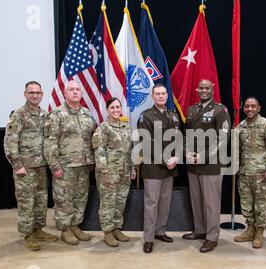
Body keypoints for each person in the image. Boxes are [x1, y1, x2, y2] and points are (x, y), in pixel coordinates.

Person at [4, 81, 58, 251]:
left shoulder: (44, 114)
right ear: (25, 94)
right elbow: (10, 141)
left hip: (41, 166)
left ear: (42, 94)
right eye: (31, 92)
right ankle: (28, 235)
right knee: (26, 202)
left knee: (41, 200)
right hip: (25, 168)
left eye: (38, 92)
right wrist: (17, 164)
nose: (35, 95)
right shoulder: (18, 115)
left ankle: (38, 229)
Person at [43, 80, 97, 245]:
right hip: (64, 166)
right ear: (65, 94)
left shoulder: (87, 114)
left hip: (84, 164)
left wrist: (93, 160)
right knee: (63, 198)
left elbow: (93, 138)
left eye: (77, 89)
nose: (75, 92)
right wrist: (54, 165)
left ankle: (75, 225)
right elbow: (50, 142)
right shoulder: (56, 115)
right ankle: (65, 229)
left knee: (80, 197)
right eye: (71, 90)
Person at [182, 79, 231, 253]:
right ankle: (200, 230)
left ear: (213, 89)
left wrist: (203, 156)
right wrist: (187, 152)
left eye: (207, 88)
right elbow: (187, 135)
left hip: (210, 163)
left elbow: (222, 139)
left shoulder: (220, 110)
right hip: (192, 163)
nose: (203, 90)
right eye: (201, 88)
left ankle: (212, 237)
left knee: (211, 202)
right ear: (197, 89)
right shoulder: (192, 109)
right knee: (196, 199)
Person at [137, 84, 180, 254]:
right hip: (154, 166)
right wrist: (165, 159)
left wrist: (177, 157)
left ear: (167, 96)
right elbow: (146, 142)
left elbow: (178, 139)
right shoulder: (145, 116)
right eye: (157, 94)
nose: (161, 96)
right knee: (151, 203)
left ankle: (160, 231)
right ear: (152, 96)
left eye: (163, 93)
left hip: (171, 166)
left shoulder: (174, 116)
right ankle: (148, 238)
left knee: (164, 202)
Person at [233, 97, 266, 248]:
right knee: (247, 205)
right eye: (247, 106)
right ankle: (250, 229)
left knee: (261, 205)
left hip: (261, 174)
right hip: (245, 173)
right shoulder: (240, 127)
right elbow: (239, 151)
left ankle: (259, 233)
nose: (250, 109)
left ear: (259, 108)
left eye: (253, 106)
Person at [92, 98, 136, 247]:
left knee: (121, 201)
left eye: (118, 107)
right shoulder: (103, 128)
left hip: (124, 172)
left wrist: (133, 168)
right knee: (108, 202)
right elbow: (99, 151)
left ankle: (117, 228)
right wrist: (104, 171)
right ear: (107, 109)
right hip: (109, 173)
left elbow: (130, 150)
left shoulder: (126, 127)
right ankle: (108, 232)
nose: (116, 110)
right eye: (112, 107)